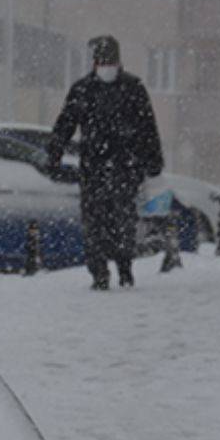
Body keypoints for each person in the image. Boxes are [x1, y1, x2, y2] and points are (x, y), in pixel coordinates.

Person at [47, 35, 164, 290]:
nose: (106, 66)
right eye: (101, 60)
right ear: (94, 62)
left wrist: (153, 160)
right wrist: (54, 151)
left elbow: (147, 127)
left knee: (123, 221)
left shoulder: (133, 88)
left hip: (125, 167)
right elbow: (66, 122)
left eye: (109, 60)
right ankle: (99, 272)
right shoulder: (83, 89)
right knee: (94, 223)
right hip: (94, 168)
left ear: (118, 61)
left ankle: (124, 267)